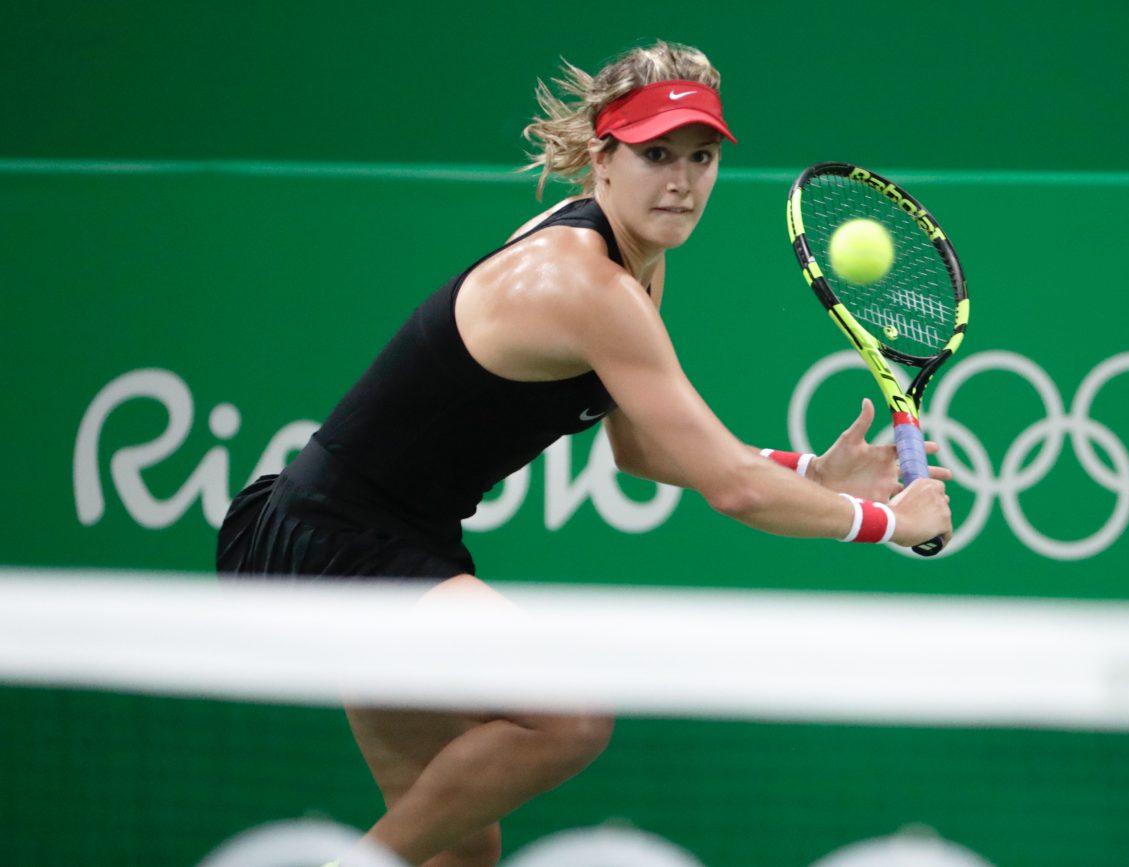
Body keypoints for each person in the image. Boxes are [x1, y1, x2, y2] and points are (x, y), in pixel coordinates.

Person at [217, 40, 952, 867]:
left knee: (461, 852)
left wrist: (807, 474)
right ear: (604, 158)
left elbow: (638, 448)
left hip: (386, 537)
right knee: (569, 712)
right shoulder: (584, 284)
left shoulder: (636, 260)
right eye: (656, 155)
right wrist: (887, 520)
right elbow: (732, 491)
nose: (682, 180)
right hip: (333, 540)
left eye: (701, 157)